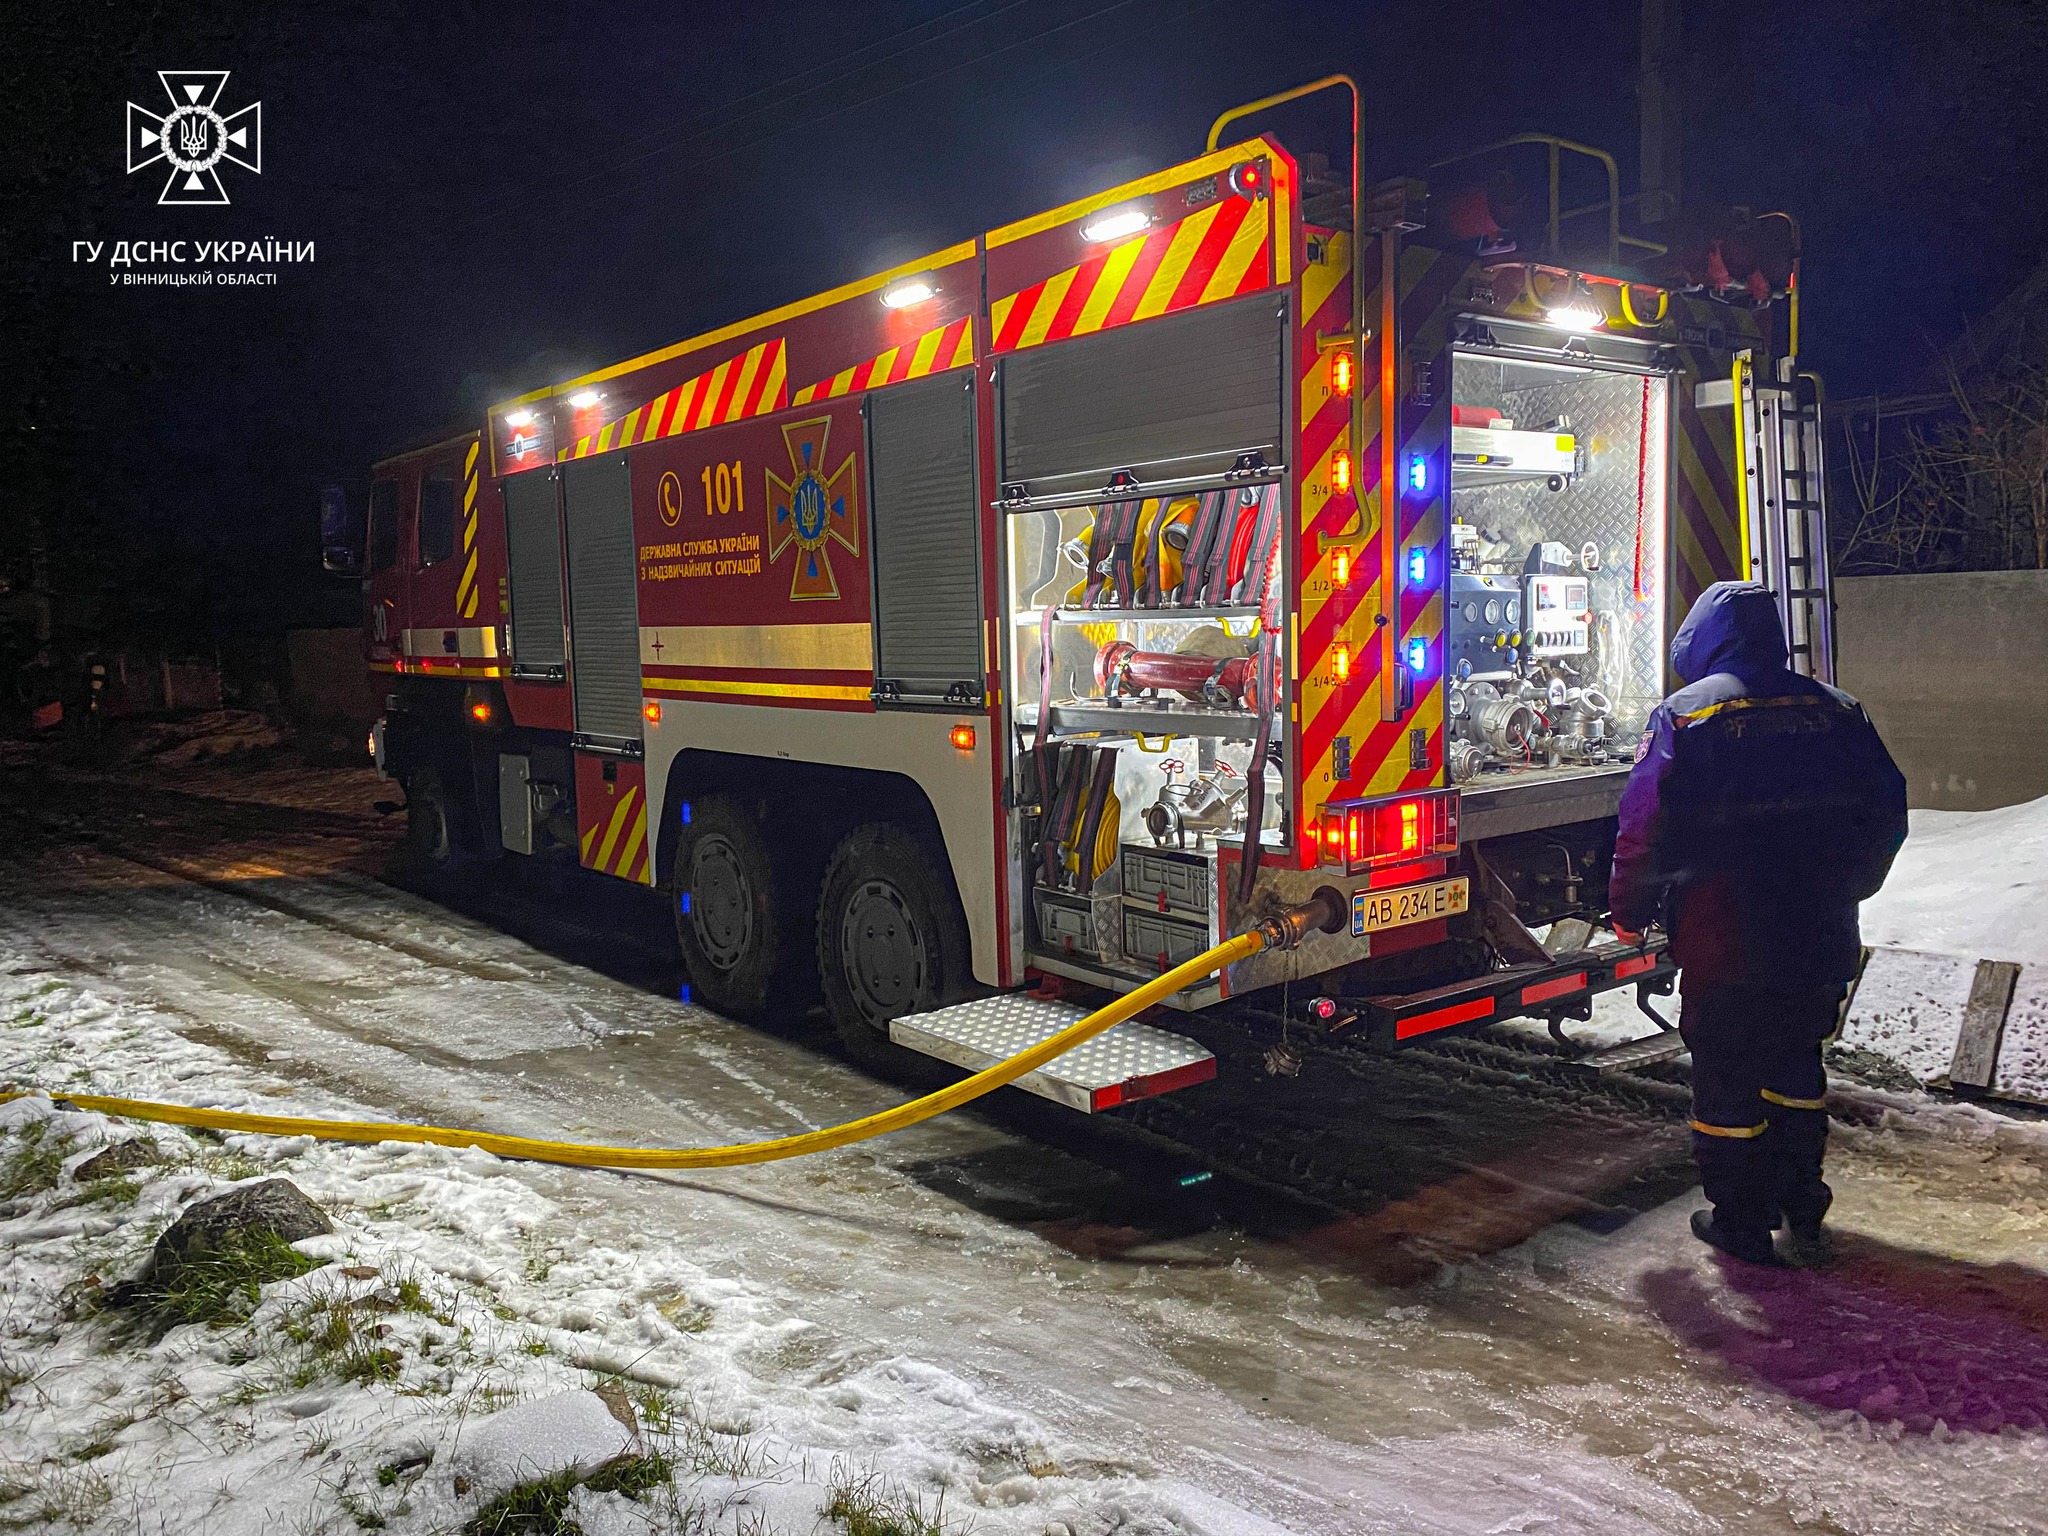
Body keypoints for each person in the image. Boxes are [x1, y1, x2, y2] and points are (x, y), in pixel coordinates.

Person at [1610, 581, 1907, 1267]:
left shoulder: (1687, 715)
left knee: (1727, 1078)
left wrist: (1629, 911)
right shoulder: (1837, 709)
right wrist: (1850, 885)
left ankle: (1741, 1223)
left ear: (1704, 641)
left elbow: (1643, 827)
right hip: (1819, 931)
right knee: (1797, 1066)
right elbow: (1888, 809)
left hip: (1726, 936)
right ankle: (1803, 1204)